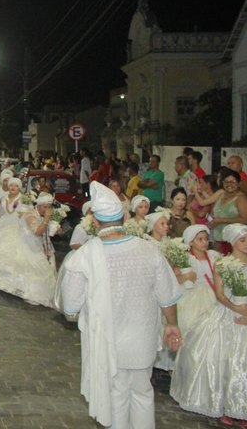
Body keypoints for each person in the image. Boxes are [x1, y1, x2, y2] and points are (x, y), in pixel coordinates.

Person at [61, 181, 181, 429]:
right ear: (125, 217)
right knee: (142, 392)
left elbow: (70, 310)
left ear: (95, 221)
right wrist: (172, 325)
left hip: (108, 341)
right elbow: (167, 296)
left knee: (115, 393)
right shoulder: (150, 251)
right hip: (142, 338)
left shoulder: (83, 256)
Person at [170, 224, 247, 426]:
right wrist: (234, 307)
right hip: (226, 313)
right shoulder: (222, 264)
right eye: (242, 240)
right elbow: (220, 294)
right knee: (221, 359)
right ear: (232, 242)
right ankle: (221, 405)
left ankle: (245, 407)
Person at [0, 191, 59, 307]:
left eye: (49, 207)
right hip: (27, 242)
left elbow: (45, 232)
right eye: (45, 207)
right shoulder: (30, 215)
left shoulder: (41, 214)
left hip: (38, 244)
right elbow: (37, 232)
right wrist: (47, 219)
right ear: (39, 205)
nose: (47, 210)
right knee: (29, 269)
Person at [194, 167, 247, 251]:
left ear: (239, 183)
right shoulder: (221, 194)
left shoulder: (241, 198)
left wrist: (219, 220)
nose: (229, 184)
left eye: (233, 182)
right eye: (226, 182)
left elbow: (245, 219)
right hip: (217, 238)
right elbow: (206, 204)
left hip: (234, 240)